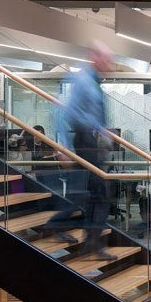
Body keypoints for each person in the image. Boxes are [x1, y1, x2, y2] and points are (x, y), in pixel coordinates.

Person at [43, 42, 116, 261]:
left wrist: (104, 133)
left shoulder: (94, 82)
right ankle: (90, 242)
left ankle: (88, 241)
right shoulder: (83, 80)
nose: (109, 63)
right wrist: (63, 146)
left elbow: (93, 116)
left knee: (91, 194)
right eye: (106, 59)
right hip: (84, 141)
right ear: (94, 57)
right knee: (99, 194)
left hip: (91, 141)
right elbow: (64, 113)